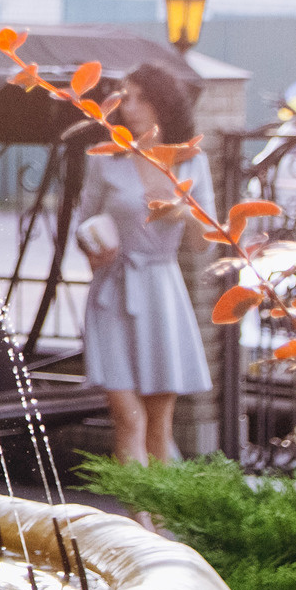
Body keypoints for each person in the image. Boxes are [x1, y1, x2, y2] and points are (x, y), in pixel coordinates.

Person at [76, 62, 213, 464]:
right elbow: (83, 221)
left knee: (158, 423)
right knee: (128, 417)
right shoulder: (106, 159)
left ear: (163, 104)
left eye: (140, 98)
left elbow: (204, 244)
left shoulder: (189, 162)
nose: (129, 107)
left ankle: (156, 504)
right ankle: (134, 502)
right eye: (124, 97)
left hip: (161, 291)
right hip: (113, 290)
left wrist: (182, 212)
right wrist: (94, 246)